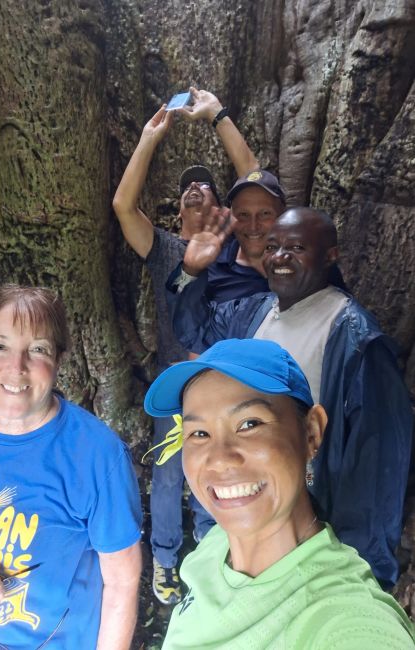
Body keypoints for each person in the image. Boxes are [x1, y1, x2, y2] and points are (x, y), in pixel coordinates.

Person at [167, 206, 413, 588]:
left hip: (309, 541)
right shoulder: (256, 311)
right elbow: (195, 329)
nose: (279, 257)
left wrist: (361, 579)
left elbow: (377, 476)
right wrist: (193, 270)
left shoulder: (357, 343)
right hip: (250, 517)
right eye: (272, 246)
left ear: (330, 255)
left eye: (296, 247)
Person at [144, 338, 415, 649]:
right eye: (199, 433)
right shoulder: (216, 545)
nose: (219, 458)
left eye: (249, 423)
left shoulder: (345, 620)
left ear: (311, 432)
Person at [0, 285, 142, 649]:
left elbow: (121, 584)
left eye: (38, 349)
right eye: (0, 346)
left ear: (58, 360)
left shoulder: (97, 455)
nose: (16, 367)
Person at [112, 87, 261, 604]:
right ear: (177, 213)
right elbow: (122, 206)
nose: (194, 188)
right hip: (175, 385)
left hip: (231, 383)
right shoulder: (165, 249)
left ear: (224, 209)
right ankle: (168, 561)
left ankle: (211, 551)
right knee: (172, 473)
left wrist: (219, 114)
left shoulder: (238, 250)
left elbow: (257, 182)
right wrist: (149, 139)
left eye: (205, 185)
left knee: (222, 464)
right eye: (186, 188)